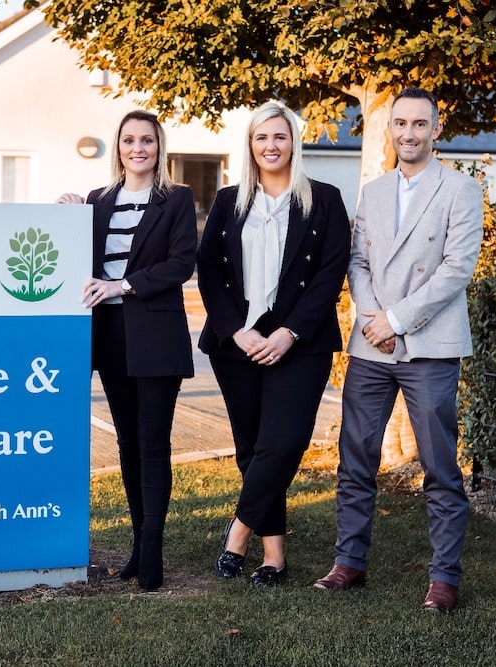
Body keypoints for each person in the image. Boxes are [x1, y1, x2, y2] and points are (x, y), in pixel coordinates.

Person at [313, 87, 484, 612]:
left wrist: (396, 319)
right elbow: (357, 262)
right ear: (388, 129)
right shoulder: (374, 191)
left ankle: (444, 577)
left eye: (419, 124)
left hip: (430, 344)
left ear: (436, 128)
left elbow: (456, 269)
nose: (408, 133)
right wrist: (372, 319)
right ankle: (349, 563)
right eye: (400, 124)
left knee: (439, 465)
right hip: (371, 346)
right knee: (355, 457)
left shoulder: (461, 189)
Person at [197, 100, 351, 586]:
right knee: (254, 450)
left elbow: (331, 273)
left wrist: (289, 332)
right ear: (250, 144)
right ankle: (275, 557)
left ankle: (237, 533)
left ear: (294, 143)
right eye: (262, 137)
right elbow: (210, 273)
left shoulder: (323, 199)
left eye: (280, 137)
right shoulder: (228, 201)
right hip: (236, 344)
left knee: (282, 444)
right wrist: (237, 331)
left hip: (300, 344)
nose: (271, 145)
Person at [56, 110, 196, 591]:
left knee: (153, 444)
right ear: (118, 147)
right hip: (110, 337)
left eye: (148, 140)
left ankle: (153, 549)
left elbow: (181, 264)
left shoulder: (176, 199)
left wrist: (122, 285)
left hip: (155, 336)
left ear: (160, 147)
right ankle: (137, 546)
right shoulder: (98, 200)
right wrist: (66, 211)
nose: (138, 148)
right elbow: (77, 254)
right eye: (130, 140)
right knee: (127, 445)